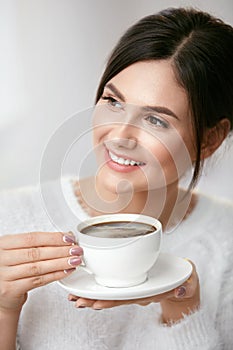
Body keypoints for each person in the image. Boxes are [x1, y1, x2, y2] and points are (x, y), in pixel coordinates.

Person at [0, 6, 233, 350]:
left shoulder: (225, 240)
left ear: (209, 140)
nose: (120, 136)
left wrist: (182, 305)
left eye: (156, 120)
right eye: (113, 101)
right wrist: (4, 306)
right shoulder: (10, 217)